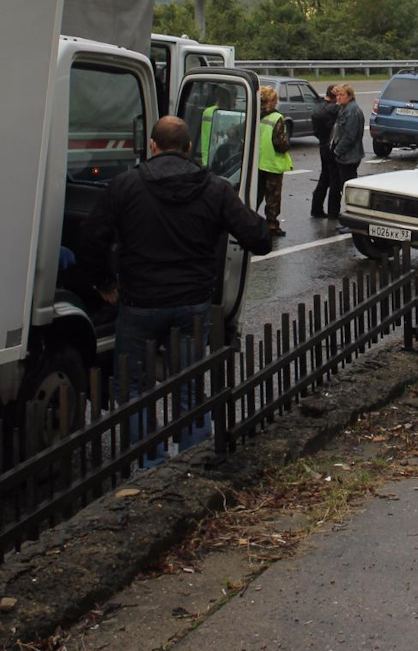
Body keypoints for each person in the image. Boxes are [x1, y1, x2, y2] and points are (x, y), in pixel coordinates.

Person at [78, 115, 272, 463]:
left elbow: (91, 239)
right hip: (192, 305)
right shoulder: (214, 188)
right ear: (188, 149)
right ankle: (191, 462)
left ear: (152, 146)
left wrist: (105, 284)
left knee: (134, 390)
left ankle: (148, 463)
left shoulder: (125, 185)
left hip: (139, 303)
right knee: (191, 384)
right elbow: (259, 238)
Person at [257, 86, 294, 237]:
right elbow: (279, 143)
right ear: (271, 101)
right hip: (272, 163)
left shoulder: (255, 114)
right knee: (273, 197)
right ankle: (272, 224)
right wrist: (287, 145)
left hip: (258, 163)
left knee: (257, 194)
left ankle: (248, 219)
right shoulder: (276, 118)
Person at [330, 83, 366, 227]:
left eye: (341, 95)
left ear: (350, 96)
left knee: (348, 189)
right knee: (343, 187)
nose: (338, 97)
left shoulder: (352, 111)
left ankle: (351, 222)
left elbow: (350, 136)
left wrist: (337, 151)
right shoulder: (345, 109)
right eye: (337, 95)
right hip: (344, 156)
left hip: (348, 157)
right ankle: (347, 219)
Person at [310, 84, 340, 218]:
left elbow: (316, 131)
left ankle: (316, 208)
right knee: (334, 180)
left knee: (324, 178)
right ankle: (333, 211)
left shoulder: (318, 107)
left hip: (323, 145)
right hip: (332, 147)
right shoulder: (334, 109)